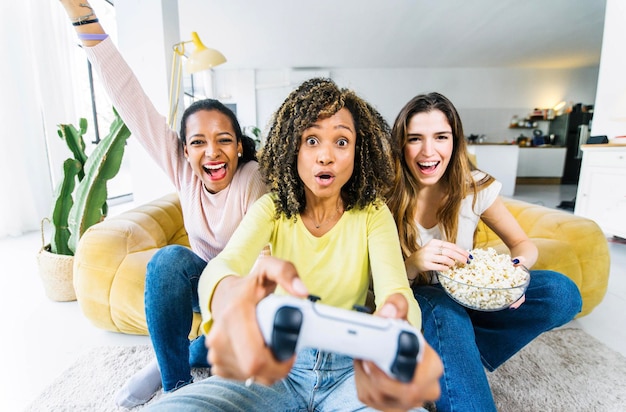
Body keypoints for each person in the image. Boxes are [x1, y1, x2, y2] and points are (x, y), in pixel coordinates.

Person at [145, 77, 443, 411]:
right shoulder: (272, 209)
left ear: (358, 152)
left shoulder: (372, 213)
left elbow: (396, 290)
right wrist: (227, 291)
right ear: (293, 148)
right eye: (312, 140)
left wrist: (397, 316)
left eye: (341, 142)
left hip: (353, 368)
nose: (326, 156)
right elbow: (225, 264)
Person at [56, 1, 268, 408]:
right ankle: (175, 385)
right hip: (202, 283)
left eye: (224, 140)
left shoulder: (252, 178)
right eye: (198, 143)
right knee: (168, 260)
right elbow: (129, 97)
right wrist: (83, 16)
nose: (213, 152)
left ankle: (186, 353)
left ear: (239, 147)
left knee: (235, 356)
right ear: (185, 152)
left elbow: (262, 263)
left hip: (248, 289)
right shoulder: (183, 170)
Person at [386, 92, 583, 412]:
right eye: (414, 139)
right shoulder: (385, 195)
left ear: (456, 140)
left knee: (562, 293)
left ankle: (457, 352)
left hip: (471, 295)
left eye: (441, 137)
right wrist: (413, 263)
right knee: (441, 307)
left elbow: (523, 245)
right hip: (418, 302)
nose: (428, 151)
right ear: (401, 145)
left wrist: (513, 274)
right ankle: (453, 355)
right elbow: (372, 280)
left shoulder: (475, 187)